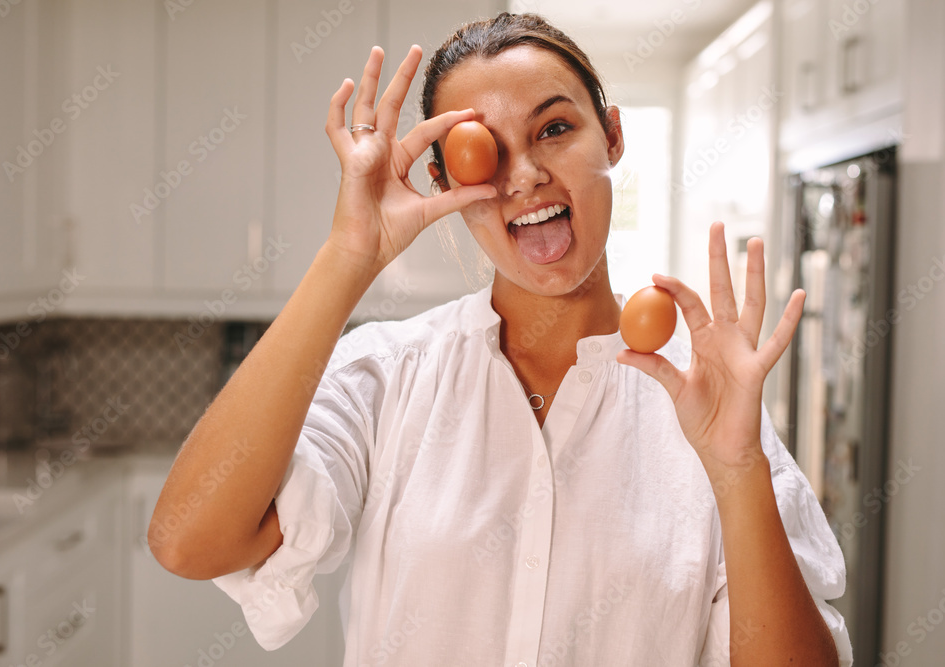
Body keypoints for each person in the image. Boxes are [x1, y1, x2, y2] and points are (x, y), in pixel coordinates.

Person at [150, 12, 852, 666]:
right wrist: (349, 252)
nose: (525, 176)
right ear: (442, 178)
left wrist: (736, 472)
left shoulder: (706, 409)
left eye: (553, 129)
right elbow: (189, 541)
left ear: (611, 135)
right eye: (484, 150)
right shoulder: (389, 377)